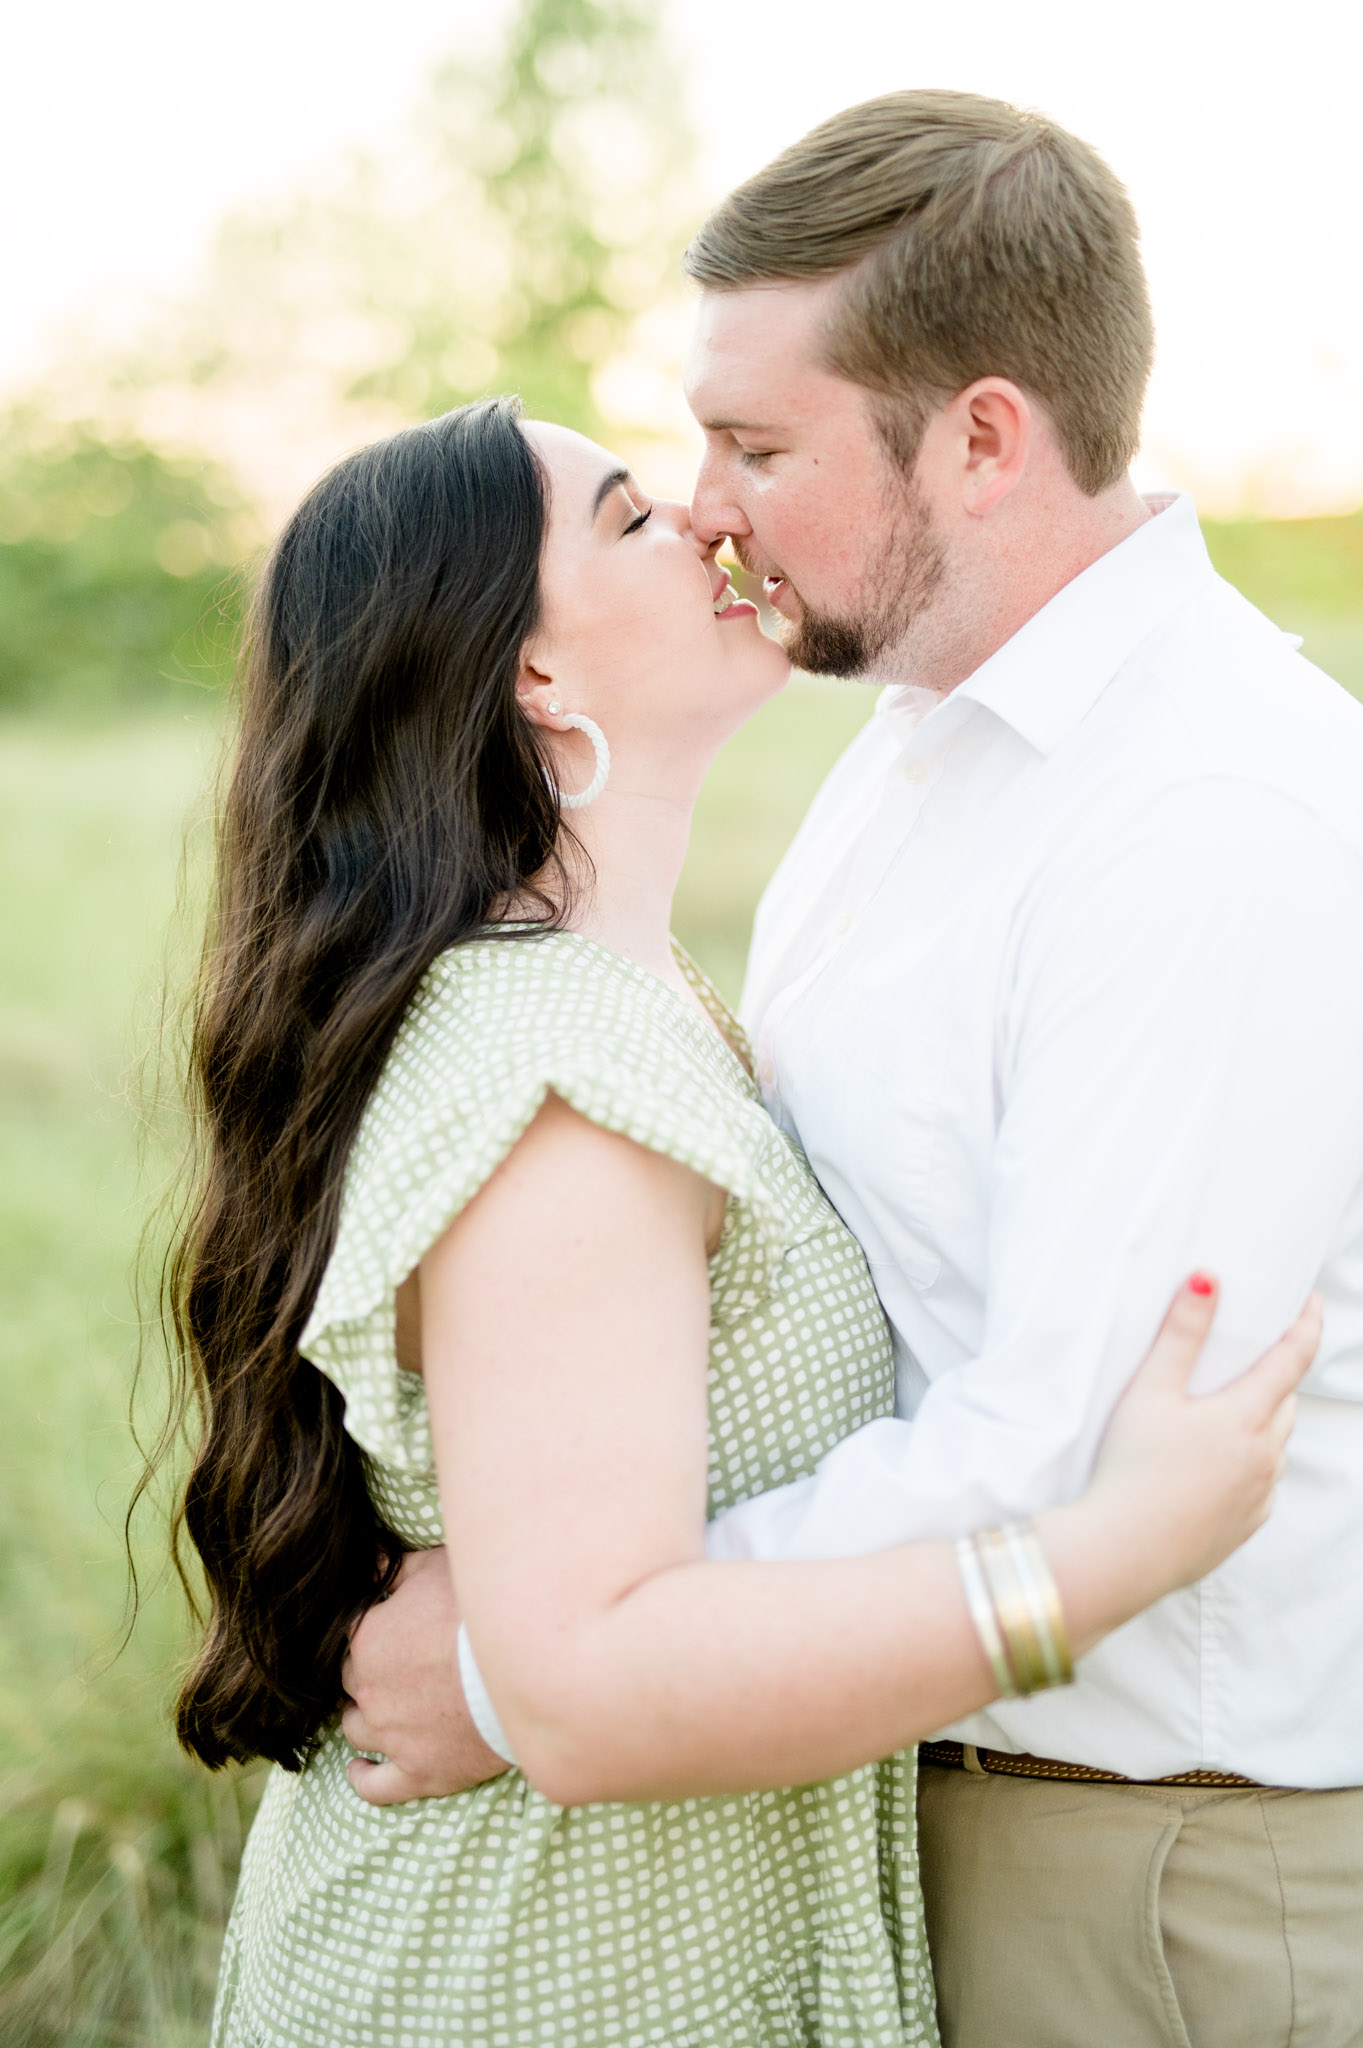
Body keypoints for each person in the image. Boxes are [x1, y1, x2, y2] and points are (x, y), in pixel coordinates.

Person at [344, 94, 1363, 2046]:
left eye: (757, 445)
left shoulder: (1209, 816)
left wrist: (536, 1663)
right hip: (922, 1798)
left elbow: (1057, 1454)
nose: (706, 502)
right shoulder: (913, 747)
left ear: (983, 438)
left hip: (1155, 1869)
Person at [170, 396, 1310, 2048]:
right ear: (535, 680)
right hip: (535, 1978)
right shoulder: (561, 1071)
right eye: (632, 517)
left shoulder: (635, 995)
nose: (708, 524)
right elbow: (591, 1681)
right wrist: (1111, 1556)